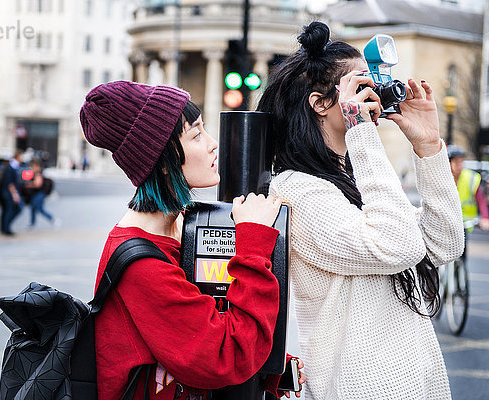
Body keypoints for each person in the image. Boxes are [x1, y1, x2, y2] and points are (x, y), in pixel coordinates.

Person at [257, 22, 464, 399]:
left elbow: (443, 244)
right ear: (320, 103)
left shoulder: (354, 178)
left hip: (415, 380)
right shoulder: (296, 190)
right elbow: (397, 246)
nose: (373, 95)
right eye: (359, 86)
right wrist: (361, 133)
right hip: (363, 387)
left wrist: (429, 147)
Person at [79, 81, 305, 400]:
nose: (213, 144)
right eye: (196, 134)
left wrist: (269, 372)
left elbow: (198, 330)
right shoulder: (142, 265)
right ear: (163, 158)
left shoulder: (178, 226)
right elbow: (226, 356)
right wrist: (254, 242)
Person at [447, 144, 489, 261]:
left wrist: (485, 218)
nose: (460, 166)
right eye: (456, 162)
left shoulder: (470, 178)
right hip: (445, 223)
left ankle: (462, 274)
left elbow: (480, 200)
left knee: (462, 253)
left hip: (464, 223)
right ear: (448, 163)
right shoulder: (442, 178)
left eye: (461, 162)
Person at [26, 158, 58, 228]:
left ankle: (51, 219)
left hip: (39, 193)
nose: (31, 168)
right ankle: (33, 223)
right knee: (36, 208)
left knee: (37, 208)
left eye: (33, 166)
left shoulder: (38, 173)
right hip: (37, 193)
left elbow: (37, 184)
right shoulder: (35, 173)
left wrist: (30, 184)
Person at [0, 149, 23, 236]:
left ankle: (4, 227)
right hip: (9, 194)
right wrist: (15, 194)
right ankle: (6, 228)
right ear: (18, 156)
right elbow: (10, 183)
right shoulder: (11, 167)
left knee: (7, 211)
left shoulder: (12, 166)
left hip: (8, 193)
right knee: (11, 210)